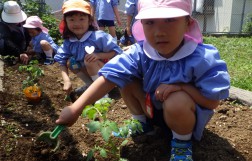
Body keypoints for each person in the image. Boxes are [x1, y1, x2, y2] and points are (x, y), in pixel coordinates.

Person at [56, 0, 230, 160]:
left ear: (187, 23)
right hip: (152, 110)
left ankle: (181, 143)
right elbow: (109, 77)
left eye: (170, 20)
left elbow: (212, 103)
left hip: (185, 118)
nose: (159, 32)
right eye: (150, 22)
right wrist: (76, 109)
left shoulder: (201, 58)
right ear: (141, 25)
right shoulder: (139, 52)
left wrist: (182, 87)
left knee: (176, 100)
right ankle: (142, 124)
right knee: (124, 77)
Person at [54, 0, 122, 101]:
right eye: (72, 19)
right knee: (70, 62)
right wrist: (66, 80)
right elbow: (61, 61)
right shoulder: (69, 41)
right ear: (66, 22)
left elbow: (116, 52)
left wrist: (99, 56)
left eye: (81, 19)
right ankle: (91, 85)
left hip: (107, 74)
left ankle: (102, 94)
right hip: (90, 72)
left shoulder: (98, 37)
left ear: (90, 21)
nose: (77, 23)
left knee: (89, 60)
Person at [0, 1, 30, 65]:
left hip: (22, 46)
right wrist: (20, 52)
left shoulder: (24, 21)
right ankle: (12, 57)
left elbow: (27, 33)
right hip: (9, 48)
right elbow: (7, 41)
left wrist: (29, 45)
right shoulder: (2, 25)